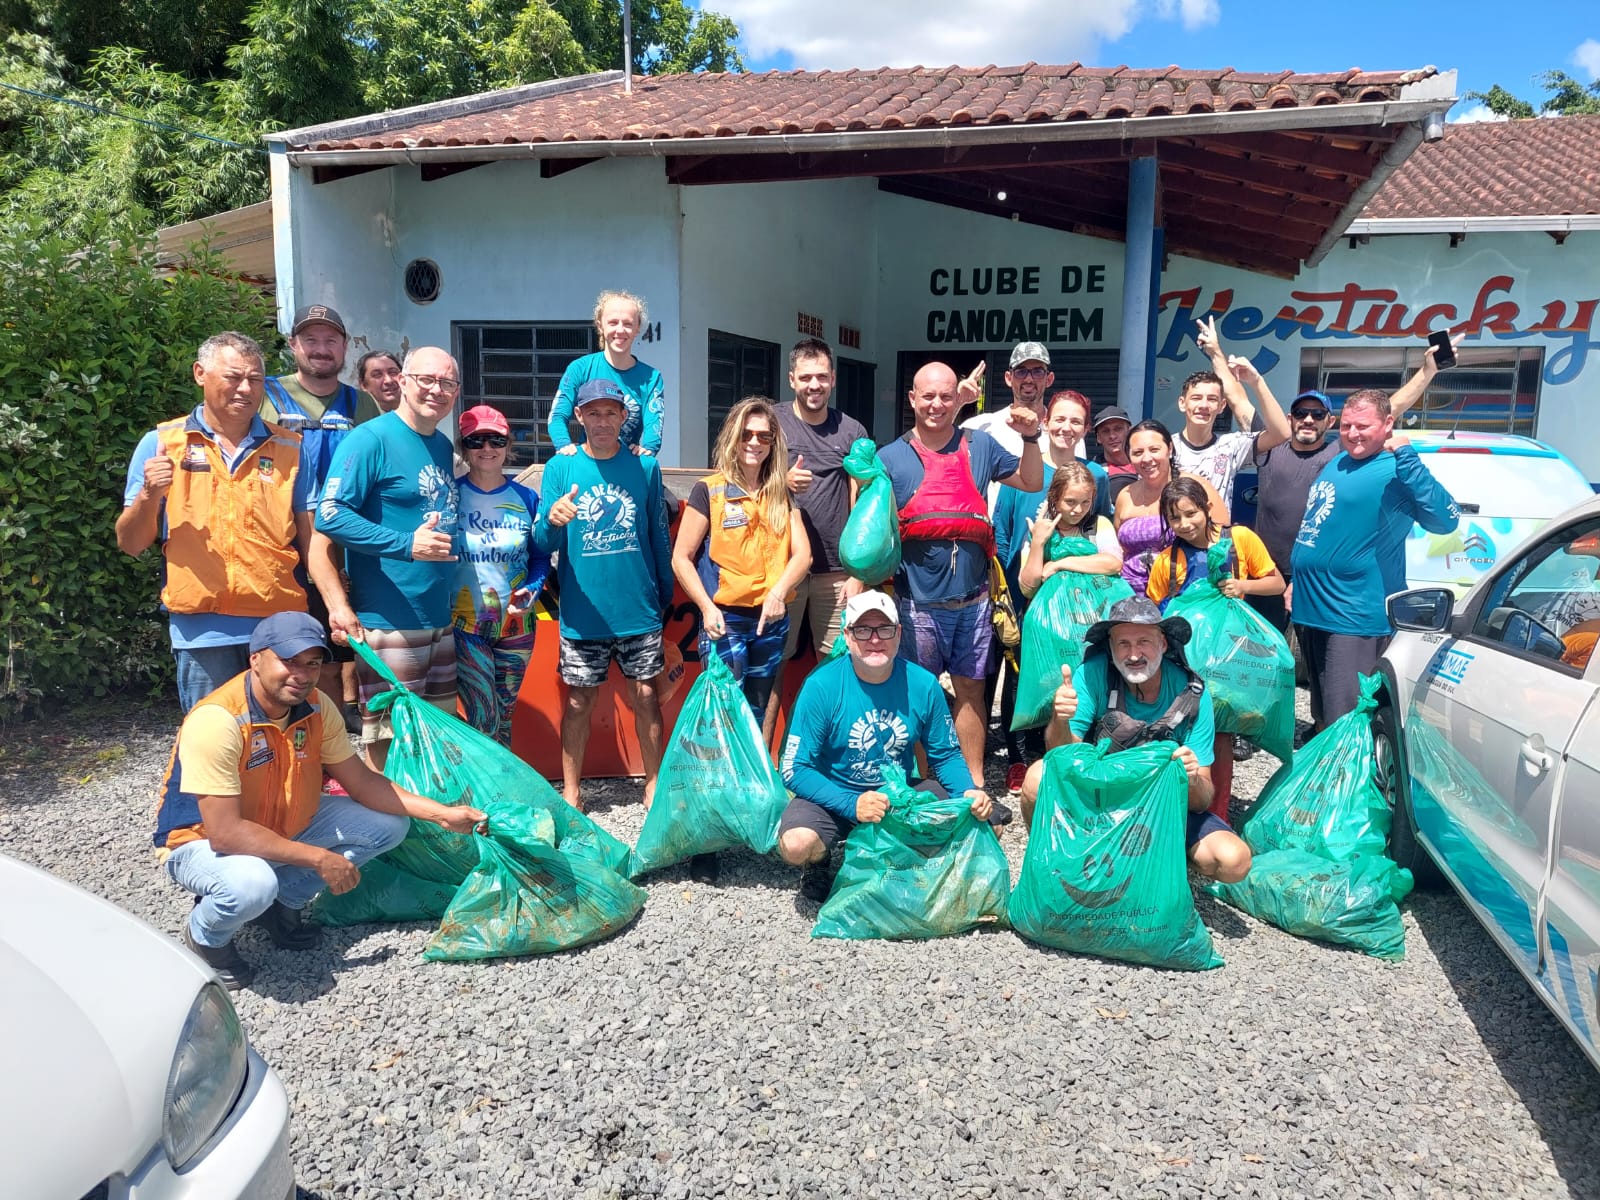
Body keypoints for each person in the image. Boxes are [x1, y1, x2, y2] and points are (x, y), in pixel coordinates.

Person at [154, 612, 484, 990]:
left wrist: (443, 814)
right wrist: (319, 858)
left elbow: (360, 782)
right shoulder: (219, 720)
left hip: (281, 821)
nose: (301, 674)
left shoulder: (317, 706)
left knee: (389, 825)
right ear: (255, 659)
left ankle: (283, 905)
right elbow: (225, 834)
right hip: (199, 840)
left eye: (312, 663)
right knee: (251, 885)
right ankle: (205, 937)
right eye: (288, 661)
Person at [117, 332, 313, 713]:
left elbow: (311, 541)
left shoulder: (290, 448)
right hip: (203, 633)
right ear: (199, 374)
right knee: (215, 743)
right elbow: (130, 543)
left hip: (279, 626)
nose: (245, 389)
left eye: (255, 379)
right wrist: (148, 495)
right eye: (233, 377)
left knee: (285, 741)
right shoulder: (162, 443)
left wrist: (335, 600)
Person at [879, 361, 1043, 793]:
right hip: (916, 603)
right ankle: (926, 784)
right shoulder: (889, 458)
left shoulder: (981, 445)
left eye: (946, 396)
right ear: (912, 399)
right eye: (927, 396)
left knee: (972, 691)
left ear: (959, 400)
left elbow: (1031, 479)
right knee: (920, 693)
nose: (936, 404)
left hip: (973, 601)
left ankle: (971, 786)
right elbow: (870, 538)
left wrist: (1031, 435)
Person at [777, 590, 994, 901]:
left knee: (987, 821)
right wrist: (851, 804)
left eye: (884, 629)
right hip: (834, 794)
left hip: (899, 796)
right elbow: (793, 769)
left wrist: (967, 791)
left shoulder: (923, 684)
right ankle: (819, 864)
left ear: (899, 633)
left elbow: (945, 755)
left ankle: (902, 860)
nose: (875, 639)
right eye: (863, 630)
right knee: (797, 844)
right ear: (847, 636)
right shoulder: (821, 686)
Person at [1017, 596, 1251, 884]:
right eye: (1123, 644)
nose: (1134, 654)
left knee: (1233, 861)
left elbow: (1203, 800)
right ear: (1111, 648)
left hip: (1163, 807)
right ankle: (1050, 868)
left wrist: (1191, 779)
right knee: (1037, 777)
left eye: (1144, 642)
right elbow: (1061, 756)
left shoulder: (1193, 695)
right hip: (1102, 797)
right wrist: (1060, 718)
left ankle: (1161, 867)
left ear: (1164, 644)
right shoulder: (1092, 675)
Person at [672, 396, 811, 881]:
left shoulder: (780, 492)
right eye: (748, 434)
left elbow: (803, 555)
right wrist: (707, 607)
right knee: (718, 726)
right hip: (724, 619)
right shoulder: (707, 491)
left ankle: (749, 823)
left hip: (768, 621)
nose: (755, 443)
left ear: (774, 443)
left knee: (753, 720)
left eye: (764, 436)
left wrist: (780, 591)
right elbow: (682, 558)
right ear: (734, 436)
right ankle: (706, 841)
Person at [312, 347, 463, 769]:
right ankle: (392, 825)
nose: (437, 390)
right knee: (388, 733)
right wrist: (404, 544)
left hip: (436, 616)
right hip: (390, 618)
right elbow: (330, 515)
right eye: (427, 380)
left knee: (433, 732)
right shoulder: (370, 439)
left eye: (447, 383)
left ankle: (426, 822)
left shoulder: (439, 444)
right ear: (403, 381)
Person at [534, 378, 675, 811]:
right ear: (578, 417)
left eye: (610, 412)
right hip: (583, 611)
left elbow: (657, 533)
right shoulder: (560, 467)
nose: (601, 421)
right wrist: (553, 521)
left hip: (638, 607)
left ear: (623, 418)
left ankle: (653, 783)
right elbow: (543, 545)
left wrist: (663, 594)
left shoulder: (646, 468)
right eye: (592, 412)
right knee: (578, 701)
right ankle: (573, 791)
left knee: (647, 697)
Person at [1290, 388, 1458, 728]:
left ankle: (1348, 781)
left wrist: (1409, 457)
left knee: (1347, 722)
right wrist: (1297, 578)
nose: (1352, 434)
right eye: (1347, 425)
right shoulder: (1339, 460)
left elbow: (1446, 519)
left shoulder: (1396, 467)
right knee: (1323, 718)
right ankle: (1327, 779)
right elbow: (1318, 525)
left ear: (1388, 423)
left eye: (1363, 426)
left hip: (1355, 619)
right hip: (1315, 612)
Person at [1251, 341, 1447, 632]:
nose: (1308, 419)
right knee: (1262, 659)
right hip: (1266, 576)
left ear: (1330, 422)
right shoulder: (1270, 449)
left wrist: (1427, 372)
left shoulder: (1338, 455)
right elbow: (1239, 402)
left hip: (1321, 584)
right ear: (1289, 419)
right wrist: (1223, 359)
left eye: (1317, 415)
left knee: (1309, 659)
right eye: (1301, 412)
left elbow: (1388, 409)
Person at [989, 394, 1114, 793]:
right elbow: (1025, 573)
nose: (1076, 508)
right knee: (1028, 680)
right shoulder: (1030, 496)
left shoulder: (1099, 513)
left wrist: (1059, 565)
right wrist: (1040, 545)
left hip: (1088, 618)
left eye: (1083, 502)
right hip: (1039, 614)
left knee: (1085, 680)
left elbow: (1113, 561)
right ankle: (1021, 757)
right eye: (1068, 502)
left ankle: (1084, 751)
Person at [263, 306, 382, 722]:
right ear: (293, 345)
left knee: (347, 650)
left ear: (345, 347)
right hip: (282, 550)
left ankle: (342, 738)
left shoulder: (361, 404)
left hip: (349, 550)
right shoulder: (264, 397)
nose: (321, 349)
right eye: (310, 340)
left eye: (330, 340)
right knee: (296, 652)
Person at [1146, 476, 1284, 818]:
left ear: (1208, 508)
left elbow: (1277, 582)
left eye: (1191, 513)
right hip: (1185, 660)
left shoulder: (1239, 540)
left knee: (1218, 735)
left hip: (1228, 661)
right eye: (1174, 519)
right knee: (1176, 731)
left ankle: (1216, 814)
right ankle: (1175, 809)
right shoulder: (1169, 560)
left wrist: (1243, 584)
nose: (1184, 524)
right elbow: (1152, 610)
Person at [450, 405, 550, 747]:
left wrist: (534, 589)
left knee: (504, 717)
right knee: (484, 714)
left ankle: (500, 792)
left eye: (496, 440)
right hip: (464, 625)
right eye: (476, 441)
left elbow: (539, 558)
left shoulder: (527, 497)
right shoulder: (451, 496)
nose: (487, 448)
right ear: (464, 447)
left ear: (509, 446)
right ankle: (482, 793)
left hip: (517, 625)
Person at [775, 337, 869, 667]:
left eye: (821, 377)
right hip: (780, 565)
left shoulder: (852, 431)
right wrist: (781, 481)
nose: (814, 385)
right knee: (773, 663)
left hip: (837, 572)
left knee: (837, 662)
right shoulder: (771, 424)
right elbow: (741, 481)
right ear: (791, 380)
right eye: (805, 377)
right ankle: (769, 723)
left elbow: (865, 505)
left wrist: (859, 574)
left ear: (833, 378)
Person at [1169, 316, 1290, 514]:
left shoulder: (1232, 446)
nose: (1203, 405)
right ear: (1182, 403)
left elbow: (1281, 433)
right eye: (1196, 398)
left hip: (1219, 544)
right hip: (1175, 542)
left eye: (1212, 399)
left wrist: (1257, 382)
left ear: (1222, 405)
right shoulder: (1166, 448)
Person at [1112, 420, 1227, 597]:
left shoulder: (1196, 487)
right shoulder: (1125, 495)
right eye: (1138, 452)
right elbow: (1118, 549)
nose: (1147, 458)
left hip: (1184, 594)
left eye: (1154, 449)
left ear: (1170, 449)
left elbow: (1223, 543)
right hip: (1128, 597)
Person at [547, 290, 664, 457]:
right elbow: (558, 415)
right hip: (588, 462)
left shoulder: (651, 377)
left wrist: (649, 448)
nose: (620, 330)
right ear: (600, 325)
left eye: (628, 324)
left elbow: (655, 422)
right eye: (613, 322)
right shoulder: (579, 368)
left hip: (627, 464)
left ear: (638, 328)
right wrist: (563, 445)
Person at [961, 341, 1052, 511]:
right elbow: (939, 448)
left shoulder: (1063, 430)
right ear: (1008, 378)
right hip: (994, 533)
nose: (1029, 379)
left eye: (1038, 371)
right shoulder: (981, 426)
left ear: (1049, 379)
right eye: (1021, 371)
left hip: (1050, 533)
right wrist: (957, 402)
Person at [1092, 405, 1136, 502]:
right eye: (1105, 431)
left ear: (1129, 431)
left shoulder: (1145, 464)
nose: (1112, 436)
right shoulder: (1092, 472)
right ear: (1098, 438)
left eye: (1118, 429)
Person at [356, 349, 403, 414]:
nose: (388, 380)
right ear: (363, 385)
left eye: (393, 372)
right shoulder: (358, 420)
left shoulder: (419, 415)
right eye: (377, 375)